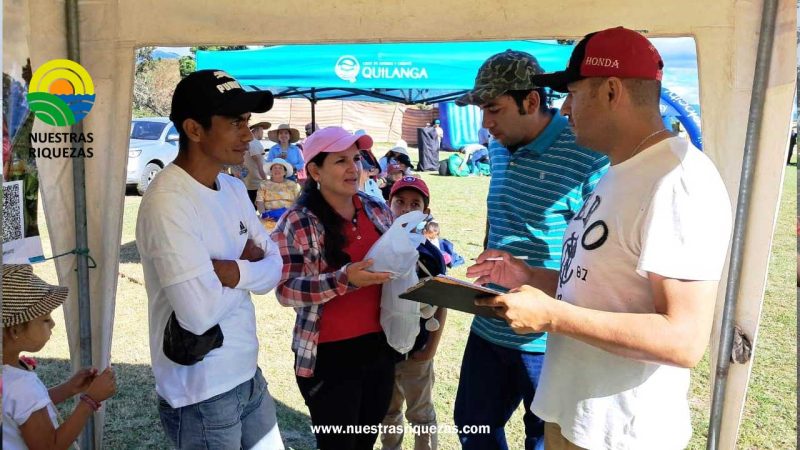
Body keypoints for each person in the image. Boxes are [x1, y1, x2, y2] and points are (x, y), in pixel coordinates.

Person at [470, 27, 733, 450]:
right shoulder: (622, 170)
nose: (566, 108)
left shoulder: (678, 180)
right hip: (576, 420)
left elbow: (684, 340)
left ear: (612, 91)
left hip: (618, 435)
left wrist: (553, 317)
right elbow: (600, 288)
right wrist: (530, 275)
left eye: (573, 94)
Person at [452, 49, 609, 450]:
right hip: (489, 320)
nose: (486, 124)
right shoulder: (500, 147)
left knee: (544, 437)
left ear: (533, 100)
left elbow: (601, 261)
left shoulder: (589, 155)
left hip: (549, 336)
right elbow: (500, 215)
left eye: (494, 109)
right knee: (473, 424)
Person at [135, 69, 285, 449]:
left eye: (248, 121)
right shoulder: (168, 201)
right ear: (194, 129)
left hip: (248, 375)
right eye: (235, 122)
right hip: (201, 394)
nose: (248, 135)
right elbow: (198, 315)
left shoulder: (233, 187)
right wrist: (250, 266)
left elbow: (276, 266)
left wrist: (229, 270)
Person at [271, 126, 395, 450]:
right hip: (327, 357)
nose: (354, 168)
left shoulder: (377, 209)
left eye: (356, 158)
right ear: (314, 170)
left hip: (380, 348)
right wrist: (344, 280)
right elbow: (285, 290)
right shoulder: (298, 220)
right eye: (340, 161)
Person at [2, 264, 117, 450]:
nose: (53, 324)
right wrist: (90, 400)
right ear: (15, 330)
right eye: (45, 319)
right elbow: (50, 446)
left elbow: (24, 411)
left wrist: (69, 388)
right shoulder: (21, 385)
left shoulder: (10, 377)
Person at [380, 177, 448, 450]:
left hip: (418, 350)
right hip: (382, 350)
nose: (407, 210)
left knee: (420, 412)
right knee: (388, 410)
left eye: (415, 204)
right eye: (400, 202)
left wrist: (431, 347)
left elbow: (443, 301)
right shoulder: (381, 250)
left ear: (426, 213)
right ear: (389, 205)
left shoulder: (430, 255)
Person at [255, 158, 301, 228]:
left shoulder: (293, 185)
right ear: (271, 171)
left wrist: (291, 215)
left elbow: (298, 203)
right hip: (269, 217)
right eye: (275, 168)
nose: (277, 170)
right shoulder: (263, 184)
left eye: (280, 168)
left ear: (285, 172)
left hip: (289, 217)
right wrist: (264, 215)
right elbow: (259, 201)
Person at [242, 119, 271, 205]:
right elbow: (260, 165)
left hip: (248, 182)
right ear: (257, 130)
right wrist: (266, 181)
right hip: (256, 184)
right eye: (262, 130)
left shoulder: (248, 143)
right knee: (261, 208)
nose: (263, 133)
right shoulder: (255, 143)